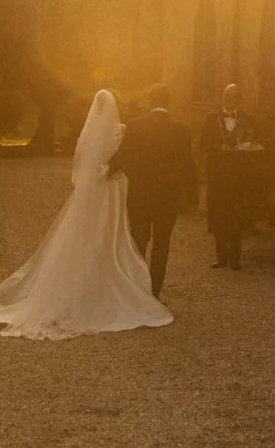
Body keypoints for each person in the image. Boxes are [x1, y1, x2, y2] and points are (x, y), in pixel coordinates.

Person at [0, 88, 173, 340]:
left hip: (95, 193)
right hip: (110, 193)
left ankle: (80, 290)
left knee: (87, 239)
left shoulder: (94, 134)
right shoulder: (120, 131)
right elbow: (124, 160)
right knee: (109, 240)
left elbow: (89, 164)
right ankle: (106, 291)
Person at [106, 83, 197, 297]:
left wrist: (103, 173)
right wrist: (192, 194)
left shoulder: (136, 125)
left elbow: (123, 156)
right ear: (168, 102)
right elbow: (188, 164)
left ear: (150, 101)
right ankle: (154, 292)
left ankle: (137, 289)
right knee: (162, 244)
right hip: (168, 196)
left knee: (139, 240)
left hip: (140, 194)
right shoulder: (180, 130)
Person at [199, 82, 257, 270]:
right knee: (218, 216)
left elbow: (253, 142)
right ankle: (220, 255)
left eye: (233, 97)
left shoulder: (247, 119)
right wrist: (219, 148)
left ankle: (235, 257)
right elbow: (202, 144)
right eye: (226, 96)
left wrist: (244, 147)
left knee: (236, 216)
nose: (228, 100)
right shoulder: (211, 118)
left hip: (238, 178)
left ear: (239, 100)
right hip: (217, 177)